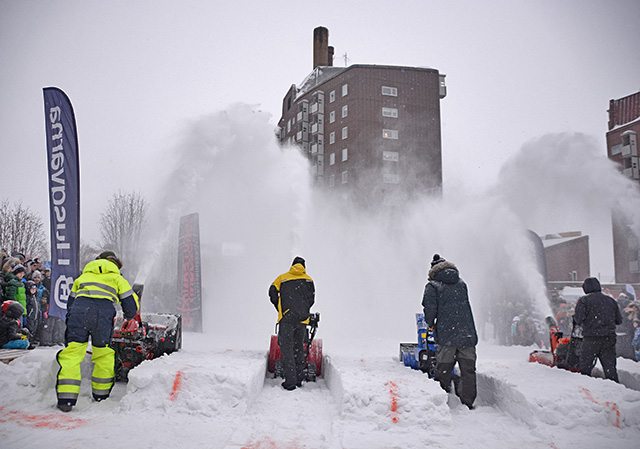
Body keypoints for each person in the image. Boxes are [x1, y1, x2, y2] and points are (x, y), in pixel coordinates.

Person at [55, 251, 139, 412]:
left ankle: (66, 399)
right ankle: (101, 395)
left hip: (79, 312)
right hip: (103, 314)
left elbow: (70, 303)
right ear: (115, 263)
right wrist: (129, 316)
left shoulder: (83, 277)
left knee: (72, 353)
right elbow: (130, 304)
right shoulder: (117, 278)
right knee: (103, 353)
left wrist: (73, 318)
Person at [422, 254, 478, 410]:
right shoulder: (461, 283)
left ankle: (444, 398)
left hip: (447, 335)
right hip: (467, 333)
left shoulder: (432, 286)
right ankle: (468, 401)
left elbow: (430, 308)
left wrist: (430, 324)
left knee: (444, 367)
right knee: (468, 369)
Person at [269, 256, 315, 391]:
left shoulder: (282, 278)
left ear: (292, 265)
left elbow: (271, 291)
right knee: (299, 348)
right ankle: (299, 379)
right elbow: (311, 299)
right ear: (304, 267)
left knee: (287, 349)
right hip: (302, 320)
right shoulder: (309, 280)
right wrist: (303, 310)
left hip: (287, 319)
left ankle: (290, 382)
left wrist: (280, 307)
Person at [573, 277, 622, 382]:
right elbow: (619, 320)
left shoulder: (584, 301)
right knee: (610, 367)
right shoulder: (610, 300)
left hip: (591, 338)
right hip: (609, 338)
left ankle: (587, 388)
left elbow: (578, 319)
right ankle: (616, 388)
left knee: (585, 365)